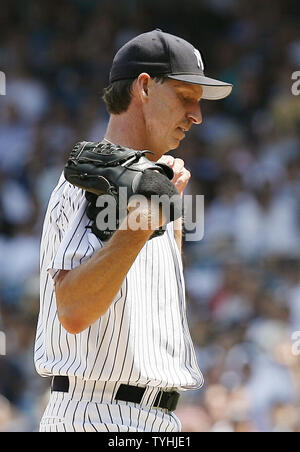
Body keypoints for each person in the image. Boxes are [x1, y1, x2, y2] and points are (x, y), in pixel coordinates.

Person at [34, 29, 232, 432]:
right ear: (144, 87)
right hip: (96, 413)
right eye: (185, 96)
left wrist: (164, 213)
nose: (197, 115)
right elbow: (72, 311)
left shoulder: (157, 186)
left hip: (158, 417)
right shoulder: (86, 182)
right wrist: (143, 220)